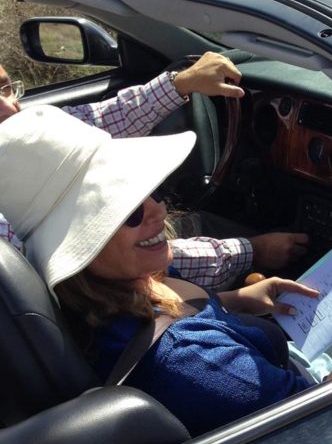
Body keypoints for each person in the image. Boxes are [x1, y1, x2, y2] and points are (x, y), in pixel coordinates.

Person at [0, 106, 332, 437]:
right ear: (82, 250)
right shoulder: (192, 364)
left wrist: (237, 302)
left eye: (149, 194)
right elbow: (319, 414)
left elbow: (164, 315)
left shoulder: (100, 295)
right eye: (125, 212)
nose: (157, 211)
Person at [0, 56, 308, 284]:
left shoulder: (21, 148)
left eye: (5, 88)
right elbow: (135, 260)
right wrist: (252, 250)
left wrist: (180, 83)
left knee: (199, 222)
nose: (11, 108)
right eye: (130, 208)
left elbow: (94, 120)